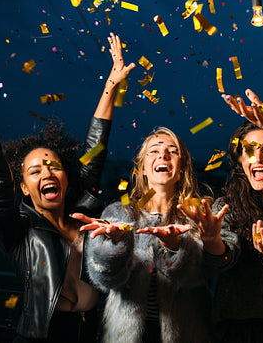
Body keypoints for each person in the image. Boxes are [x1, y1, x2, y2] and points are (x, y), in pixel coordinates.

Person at [0, 32, 136, 342]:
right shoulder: (19, 233)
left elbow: (94, 150)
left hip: (92, 331)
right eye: (35, 171)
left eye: (54, 166)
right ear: (24, 188)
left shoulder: (85, 215)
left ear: (66, 179)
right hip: (42, 335)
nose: (47, 172)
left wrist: (111, 86)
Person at [179, 89, 263, 342]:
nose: (258, 158)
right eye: (249, 150)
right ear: (240, 159)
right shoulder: (225, 205)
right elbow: (224, 258)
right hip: (234, 327)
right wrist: (211, 238)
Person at [74, 126, 214, 343]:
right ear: (142, 169)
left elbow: (200, 276)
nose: (163, 155)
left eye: (172, 151)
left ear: (182, 168)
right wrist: (115, 245)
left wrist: (175, 246)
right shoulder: (117, 213)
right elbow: (104, 280)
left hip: (186, 333)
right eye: (154, 151)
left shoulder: (197, 215)